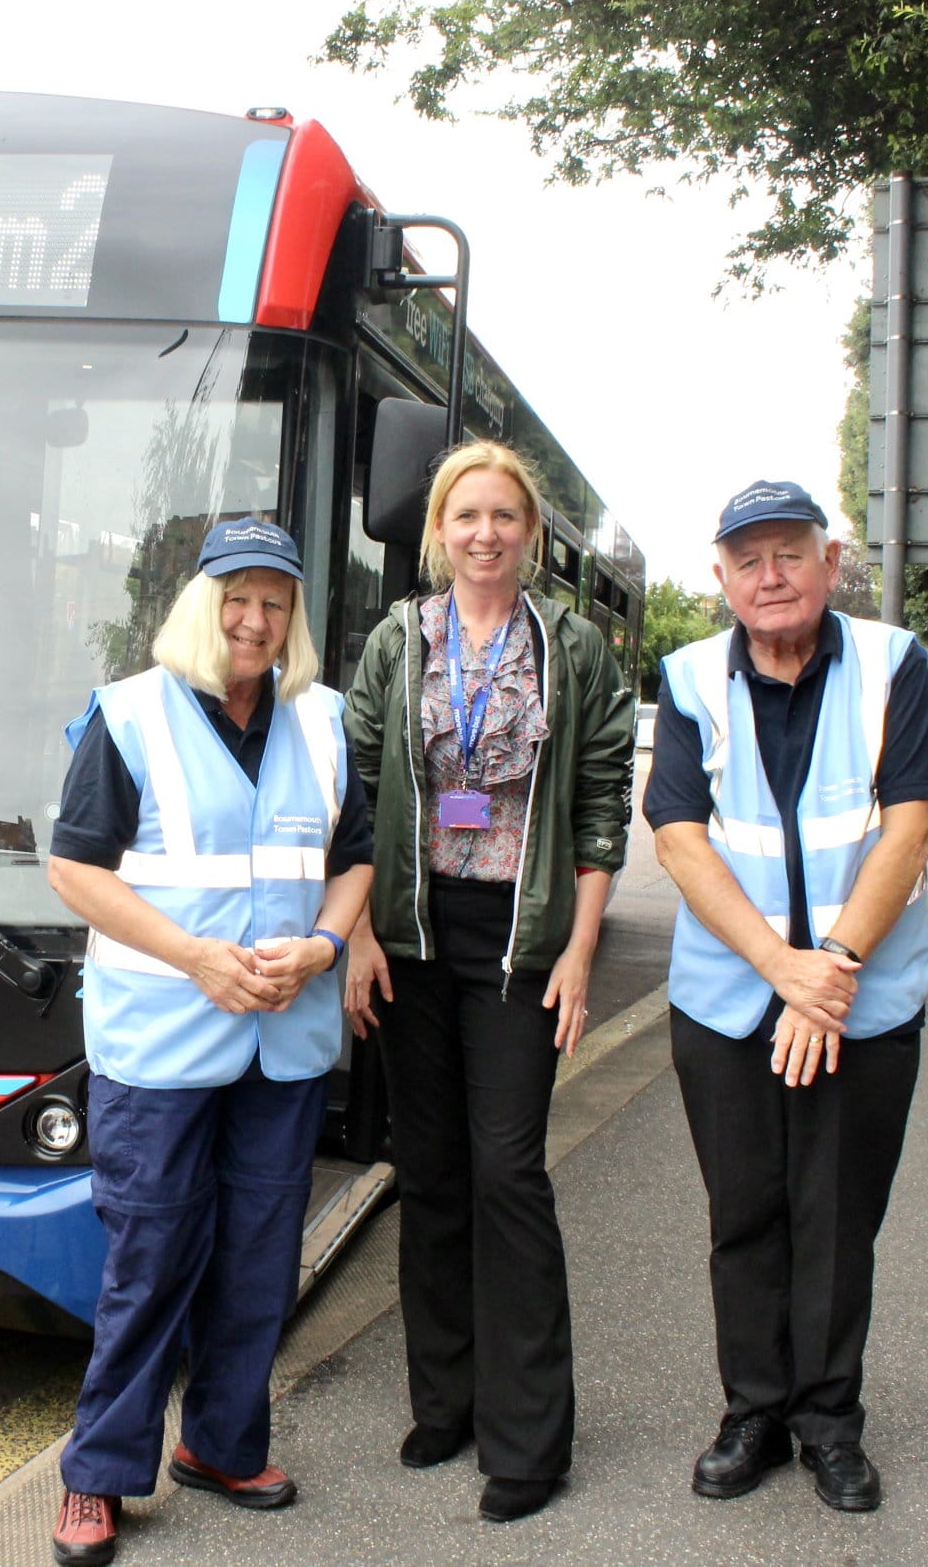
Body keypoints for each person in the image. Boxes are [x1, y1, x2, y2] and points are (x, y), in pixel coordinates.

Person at [46, 517, 373, 1566]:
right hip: (159, 1042)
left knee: (257, 1263)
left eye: (275, 602)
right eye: (236, 596)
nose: (254, 618)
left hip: (280, 1042)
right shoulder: (131, 714)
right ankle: (97, 1477)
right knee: (149, 1260)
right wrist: (194, 957)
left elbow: (354, 860)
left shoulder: (321, 721)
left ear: (293, 618)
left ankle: (223, 1447)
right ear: (201, 604)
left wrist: (325, 945)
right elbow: (75, 871)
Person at [644, 480, 928, 1513]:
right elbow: (679, 840)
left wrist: (826, 971)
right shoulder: (687, 677)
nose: (769, 576)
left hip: (859, 1001)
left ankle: (828, 1424)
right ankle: (752, 1412)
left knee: (834, 1219)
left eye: (788, 553)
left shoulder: (888, 664)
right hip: (730, 1004)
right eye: (748, 560)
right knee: (744, 1215)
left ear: (827, 564)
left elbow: (910, 823)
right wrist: (783, 973)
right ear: (721, 578)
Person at [342, 440, 634, 1524]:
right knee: (428, 1172)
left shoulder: (570, 647)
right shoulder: (395, 641)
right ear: (439, 531)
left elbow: (601, 800)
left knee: (507, 1171)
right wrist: (359, 934)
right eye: (464, 515)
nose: (482, 534)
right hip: (411, 933)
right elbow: (360, 790)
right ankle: (444, 1402)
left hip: (520, 935)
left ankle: (526, 1438)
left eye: (502, 516)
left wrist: (578, 948)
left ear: (529, 533)